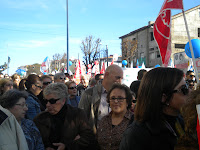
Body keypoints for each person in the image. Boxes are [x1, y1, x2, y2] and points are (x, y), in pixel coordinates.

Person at [120, 67, 188, 150]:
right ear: (164, 97)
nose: (190, 92)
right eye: (184, 89)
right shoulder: (138, 135)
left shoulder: (184, 121)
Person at [34, 83, 97, 150]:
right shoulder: (39, 119)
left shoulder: (77, 114)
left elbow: (88, 137)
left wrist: (68, 146)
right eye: (45, 101)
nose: (48, 105)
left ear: (63, 100)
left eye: (52, 101)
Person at [79, 64, 123, 133]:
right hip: (95, 140)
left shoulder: (123, 96)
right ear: (107, 75)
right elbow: (81, 118)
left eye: (121, 79)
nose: (120, 81)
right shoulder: (89, 94)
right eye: (117, 78)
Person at [97, 83, 133, 150]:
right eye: (113, 98)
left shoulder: (134, 121)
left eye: (120, 98)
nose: (116, 101)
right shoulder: (103, 120)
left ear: (127, 101)